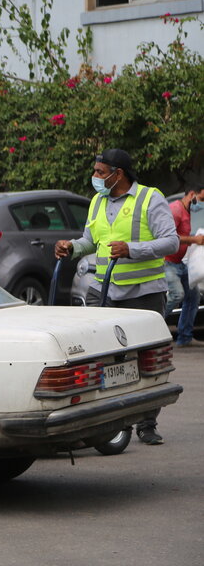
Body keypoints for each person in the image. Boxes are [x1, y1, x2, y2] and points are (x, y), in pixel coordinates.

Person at [54, 148, 178, 445]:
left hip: (143, 294)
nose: (94, 177)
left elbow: (171, 241)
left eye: (99, 172)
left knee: (148, 358)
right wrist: (71, 248)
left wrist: (132, 249)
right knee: (104, 358)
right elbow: (90, 240)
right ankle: (108, 420)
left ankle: (147, 424)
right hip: (104, 292)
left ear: (117, 173)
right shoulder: (97, 201)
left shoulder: (150, 198)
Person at [164, 186, 204, 348]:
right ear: (192, 195)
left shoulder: (186, 211)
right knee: (176, 295)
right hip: (168, 262)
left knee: (193, 296)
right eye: (201, 199)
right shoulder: (175, 210)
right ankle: (150, 328)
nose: (201, 204)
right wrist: (194, 240)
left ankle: (185, 337)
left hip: (179, 263)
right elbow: (169, 237)